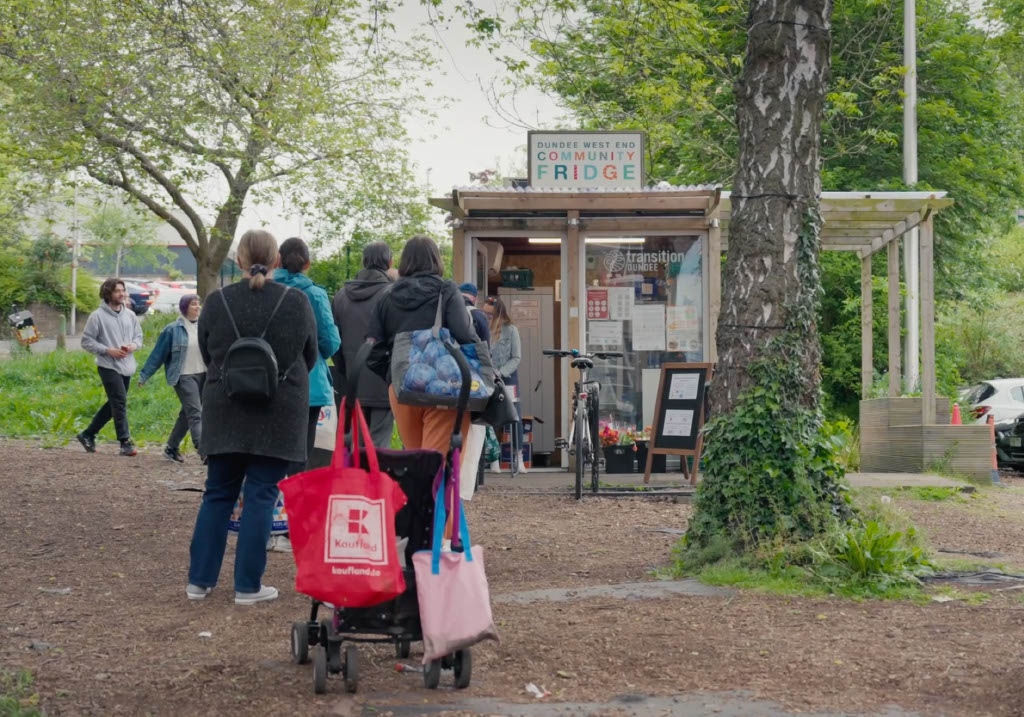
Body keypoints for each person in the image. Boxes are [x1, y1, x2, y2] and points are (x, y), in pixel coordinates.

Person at [186, 229, 317, 605]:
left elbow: (210, 355)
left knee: (217, 494)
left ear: (239, 261)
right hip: (279, 411)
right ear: (277, 260)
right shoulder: (296, 301)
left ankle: (199, 582)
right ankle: (247, 586)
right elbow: (308, 356)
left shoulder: (216, 301)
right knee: (261, 496)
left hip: (225, 408)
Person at [366, 235, 476, 454]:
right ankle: (437, 490)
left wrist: (394, 376)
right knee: (439, 464)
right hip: (444, 388)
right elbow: (466, 337)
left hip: (403, 389)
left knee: (415, 461)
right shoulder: (446, 291)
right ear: (436, 260)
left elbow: (373, 351)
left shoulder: (386, 297)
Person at [274, 237, 341, 473]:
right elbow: (331, 342)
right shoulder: (314, 294)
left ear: (277, 261)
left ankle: (271, 501)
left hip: (268, 381)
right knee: (301, 451)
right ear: (307, 264)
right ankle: (294, 504)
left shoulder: (266, 288)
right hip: (308, 382)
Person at [332, 241, 395, 448]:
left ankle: (355, 481)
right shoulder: (392, 294)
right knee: (378, 448)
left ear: (363, 261)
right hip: (383, 383)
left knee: (355, 448)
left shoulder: (341, 296)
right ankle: (375, 481)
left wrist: (346, 371)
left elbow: (335, 342)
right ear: (390, 262)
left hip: (352, 382)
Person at [77, 277, 144, 457]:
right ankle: (125, 442)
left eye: (123, 290)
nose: (121, 294)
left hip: (127, 366)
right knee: (120, 401)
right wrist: (108, 350)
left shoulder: (130, 315)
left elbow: (139, 337)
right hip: (108, 366)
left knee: (115, 403)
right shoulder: (97, 316)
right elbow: (86, 342)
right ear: (108, 293)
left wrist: (133, 346)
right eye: (117, 291)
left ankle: (87, 434)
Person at [138, 294, 206, 463]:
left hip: (204, 376)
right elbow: (158, 354)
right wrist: (144, 375)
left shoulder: (204, 327)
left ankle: (171, 448)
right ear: (184, 308)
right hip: (184, 376)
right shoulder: (172, 329)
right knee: (196, 414)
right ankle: (205, 451)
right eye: (193, 304)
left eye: (198, 304)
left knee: (187, 414)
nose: (197, 307)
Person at [484, 295, 525, 471]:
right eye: (484, 313)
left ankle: (519, 458)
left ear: (499, 313)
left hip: (507, 376)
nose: (487, 317)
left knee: (514, 416)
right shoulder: (482, 328)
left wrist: (501, 372)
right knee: (489, 415)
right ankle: (494, 458)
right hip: (487, 376)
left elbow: (516, 357)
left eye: (490, 314)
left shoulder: (511, 330)